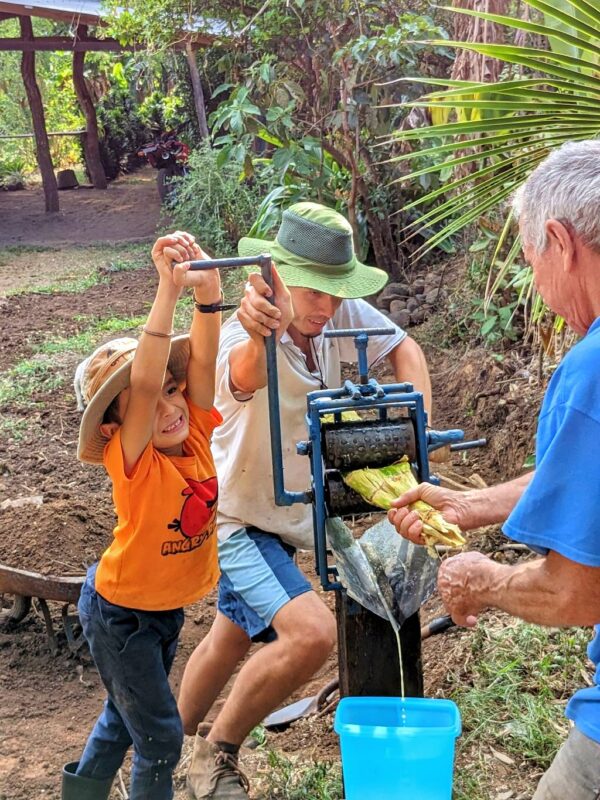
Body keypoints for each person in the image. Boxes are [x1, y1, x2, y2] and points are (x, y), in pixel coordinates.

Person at [178, 201, 436, 799]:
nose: (326, 307)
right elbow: (242, 377)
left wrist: (418, 430)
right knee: (310, 634)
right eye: (314, 293)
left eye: (335, 292)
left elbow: (406, 350)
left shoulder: (341, 312)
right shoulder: (246, 329)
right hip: (242, 516)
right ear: (280, 277)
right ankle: (214, 754)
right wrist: (263, 330)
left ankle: (158, 748)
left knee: (229, 637)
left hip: (298, 513)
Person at [388, 139, 600, 800]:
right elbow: (584, 482)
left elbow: (576, 593)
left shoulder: (590, 370)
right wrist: (467, 506)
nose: (537, 289)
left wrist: (482, 579)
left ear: (562, 243)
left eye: (534, 262)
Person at [63, 232, 223, 800]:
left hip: (160, 611)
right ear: (115, 428)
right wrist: (166, 290)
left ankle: (78, 795)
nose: (168, 404)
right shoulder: (131, 460)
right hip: (121, 617)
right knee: (159, 738)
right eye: (147, 402)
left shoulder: (196, 430)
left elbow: (201, 360)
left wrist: (208, 294)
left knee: (121, 718)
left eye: (172, 391)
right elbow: (150, 375)